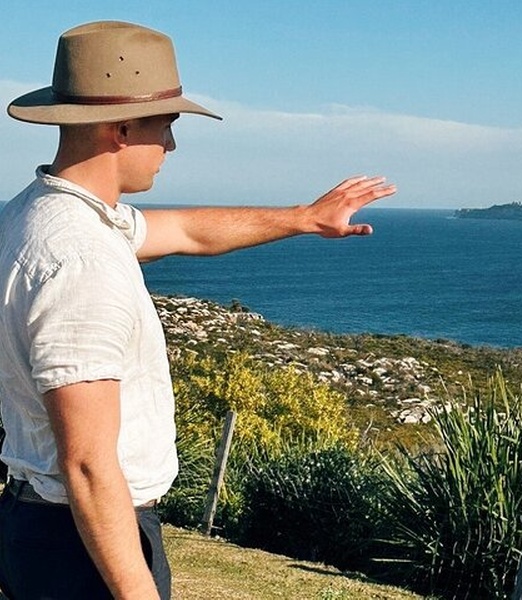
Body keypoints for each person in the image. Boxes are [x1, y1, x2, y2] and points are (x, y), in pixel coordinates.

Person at [0, 20, 396, 600]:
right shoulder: (81, 259)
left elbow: (186, 230)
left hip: (42, 526)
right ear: (121, 128)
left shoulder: (39, 213)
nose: (171, 146)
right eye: (165, 125)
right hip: (84, 541)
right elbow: (87, 464)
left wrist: (304, 218)